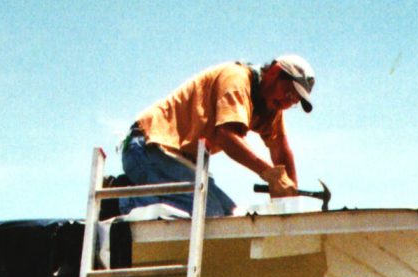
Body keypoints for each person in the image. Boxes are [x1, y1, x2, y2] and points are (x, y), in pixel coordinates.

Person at [118, 55, 315, 217]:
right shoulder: (237, 80)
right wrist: (270, 174)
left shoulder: (272, 105)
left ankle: (133, 192)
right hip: (147, 147)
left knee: (230, 216)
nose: (287, 102)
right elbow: (226, 136)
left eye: (294, 101)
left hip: (178, 161)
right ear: (274, 72)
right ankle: (118, 198)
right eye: (288, 92)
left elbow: (280, 148)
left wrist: (291, 194)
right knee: (209, 212)